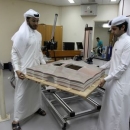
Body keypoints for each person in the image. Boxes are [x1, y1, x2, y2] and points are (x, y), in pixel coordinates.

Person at [11, 9, 46, 130]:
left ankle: (36, 109)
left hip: (36, 70)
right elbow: (14, 53)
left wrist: (44, 64)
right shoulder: (21, 34)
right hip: (24, 71)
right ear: (27, 20)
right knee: (21, 94)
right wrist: (17, 69)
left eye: (37, 21)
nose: (36, 23)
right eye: (33, 21)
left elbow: (39, 52)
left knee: (36, 92)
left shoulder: (39, 35)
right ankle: (16, 120)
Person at [96, 15, 130, 130]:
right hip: (112, 82)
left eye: (114, 29)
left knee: (117, 115)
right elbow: (112, 62)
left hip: (121, 85)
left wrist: (105, 79)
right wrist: (100, 68)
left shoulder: (128, 42)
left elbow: (123, 67)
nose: (112, 31)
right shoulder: (117, 42)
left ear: (123, 27)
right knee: (108, 111)